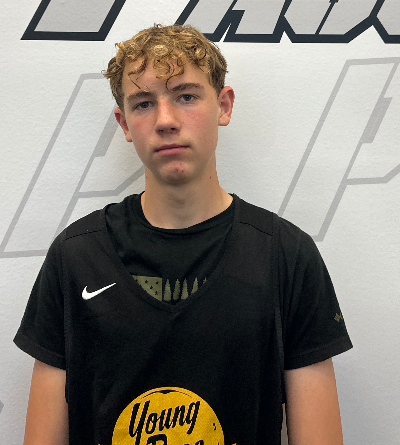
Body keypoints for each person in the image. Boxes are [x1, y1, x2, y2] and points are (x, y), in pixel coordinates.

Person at [15, 24, 352, 445]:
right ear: (124, 123)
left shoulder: (286, 255)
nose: (166, 121)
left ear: (223, 106)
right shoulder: (76, 256)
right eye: (143, 104)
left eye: (186, 96)